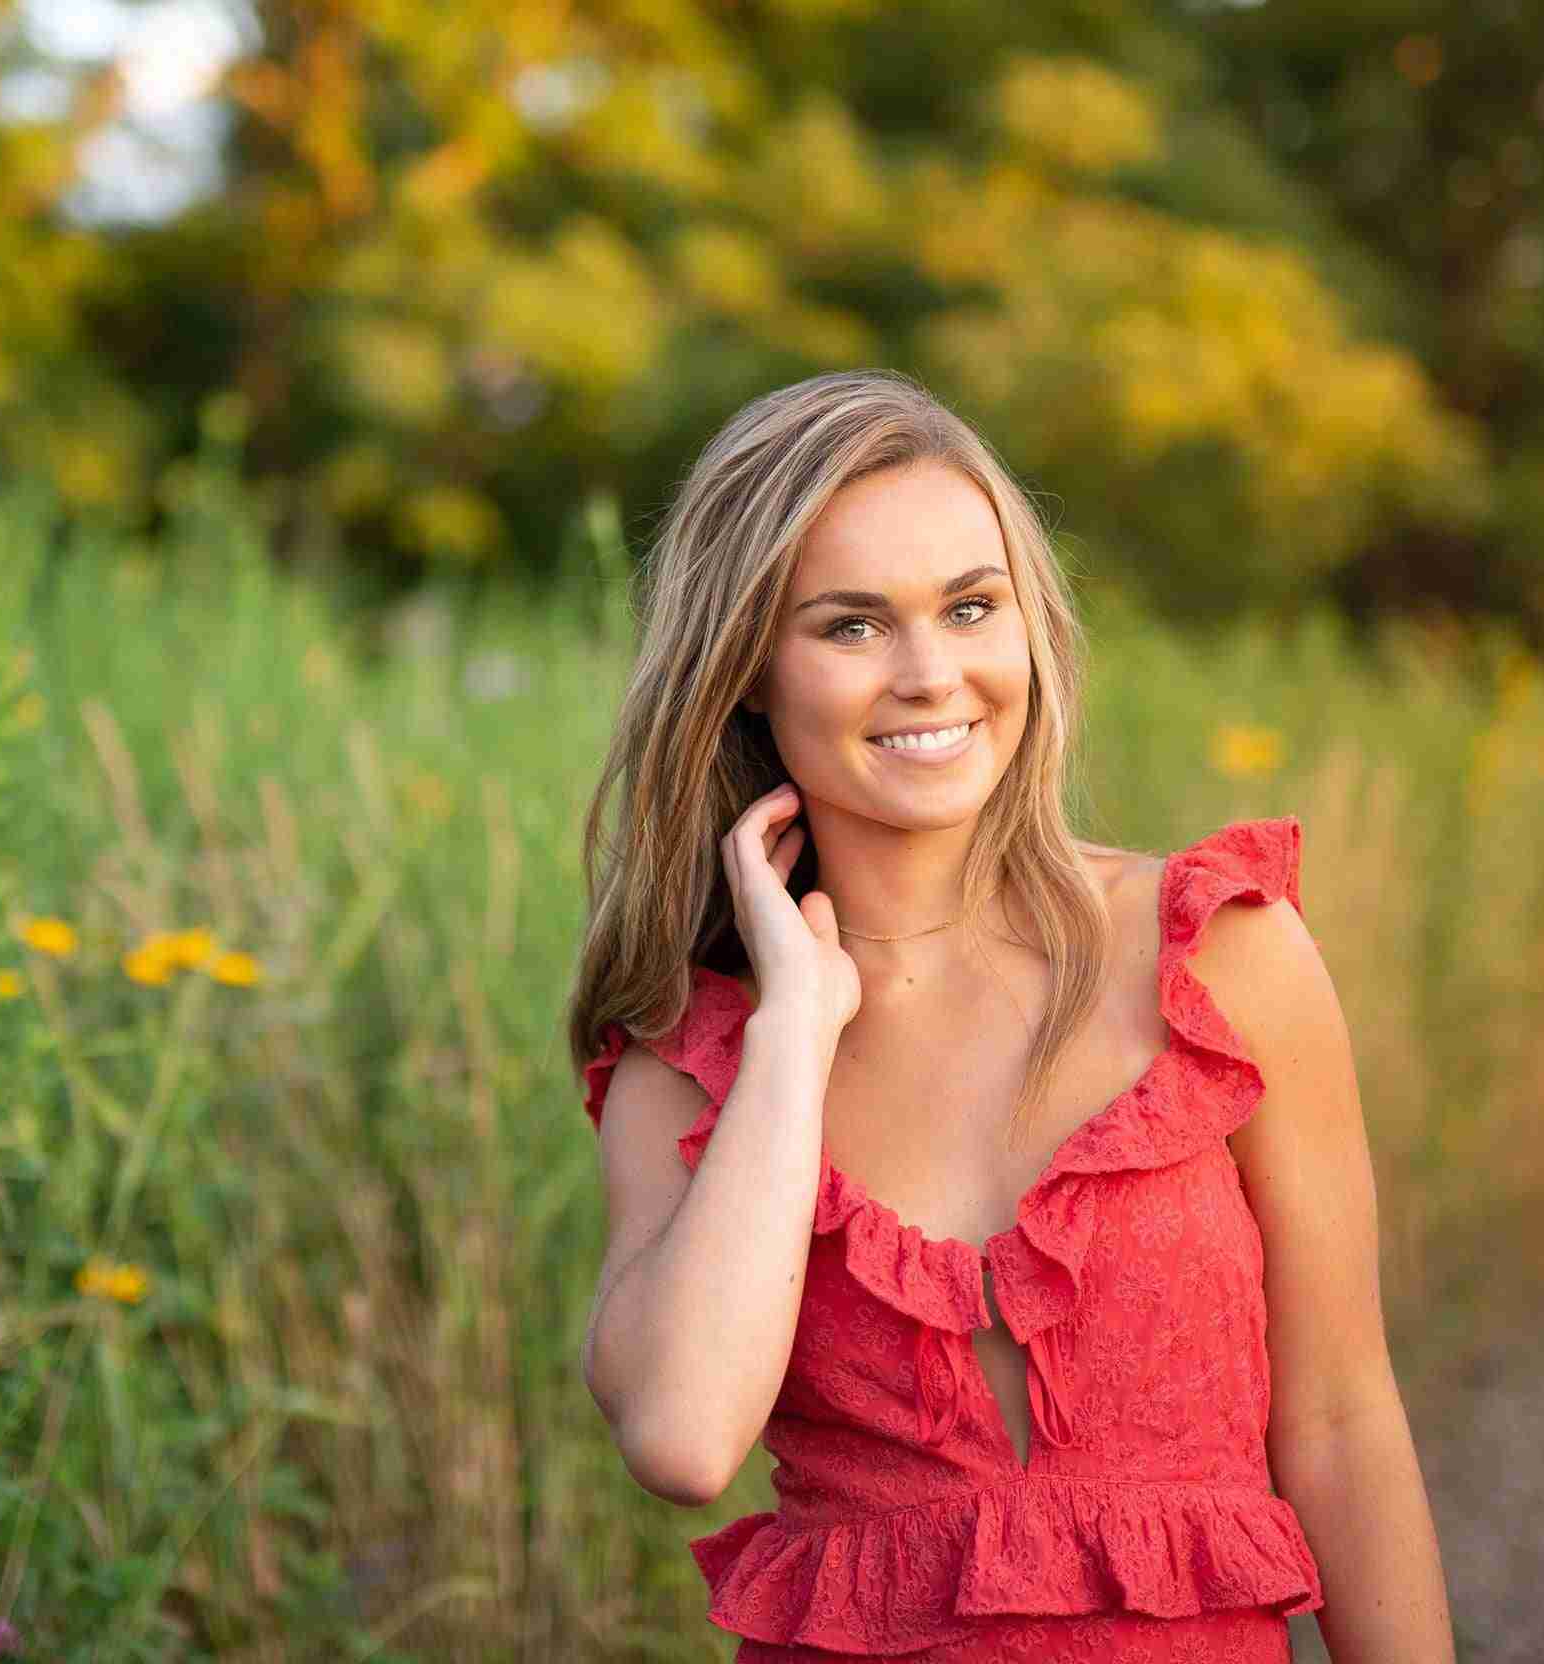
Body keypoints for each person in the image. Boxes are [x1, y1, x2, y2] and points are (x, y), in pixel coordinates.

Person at [564, 370, 1455, 1662]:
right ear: (747, 665)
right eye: (853, 627)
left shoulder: (1221, 956)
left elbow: (1339, 1421)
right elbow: (684, 1438)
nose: (933, 675)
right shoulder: (692, 1062)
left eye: (971, 609)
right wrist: (793, 1037)